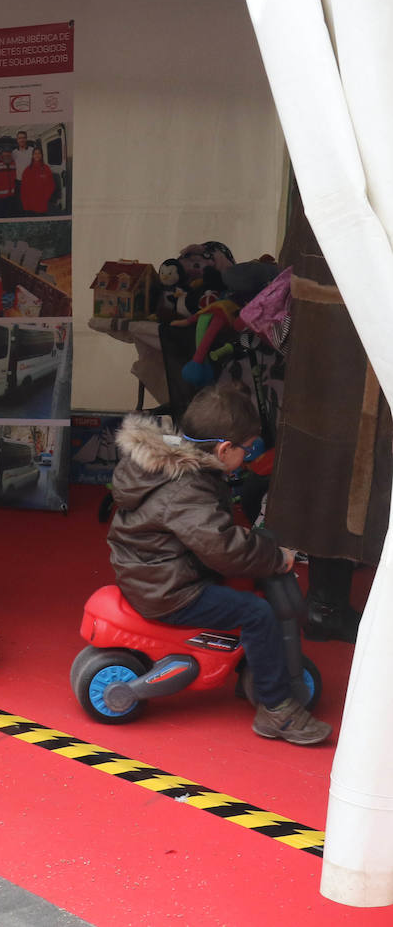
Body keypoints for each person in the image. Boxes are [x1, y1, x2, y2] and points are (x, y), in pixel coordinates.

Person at [108, 386, 331, 746]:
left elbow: (209, 532)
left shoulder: (177, 464)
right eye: (249, 448)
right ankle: (276, 710)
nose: (248, 456)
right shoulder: (186, 489)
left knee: (248, 580)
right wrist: (276, 558)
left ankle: (255, 673)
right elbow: (223, 548)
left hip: (155, 569)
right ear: (225, 449)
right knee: (258, 613)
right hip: (169, 588)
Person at [265, 198, 389, 643]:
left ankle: (325, 604)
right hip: (342, 338)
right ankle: (326, 606)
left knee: (330, 477)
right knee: (334, 478)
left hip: (336, 332)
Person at [18, 145, 56, 215]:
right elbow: (23, 188)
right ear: (32, 156)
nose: (37, 155)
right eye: (35, 153)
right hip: (30, 204)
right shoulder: (27, 170)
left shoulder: (46, 168)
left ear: (41, 155)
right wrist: (25, 203)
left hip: (42, 204)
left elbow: (51, 185)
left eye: (39, 153)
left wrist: (45, 197)